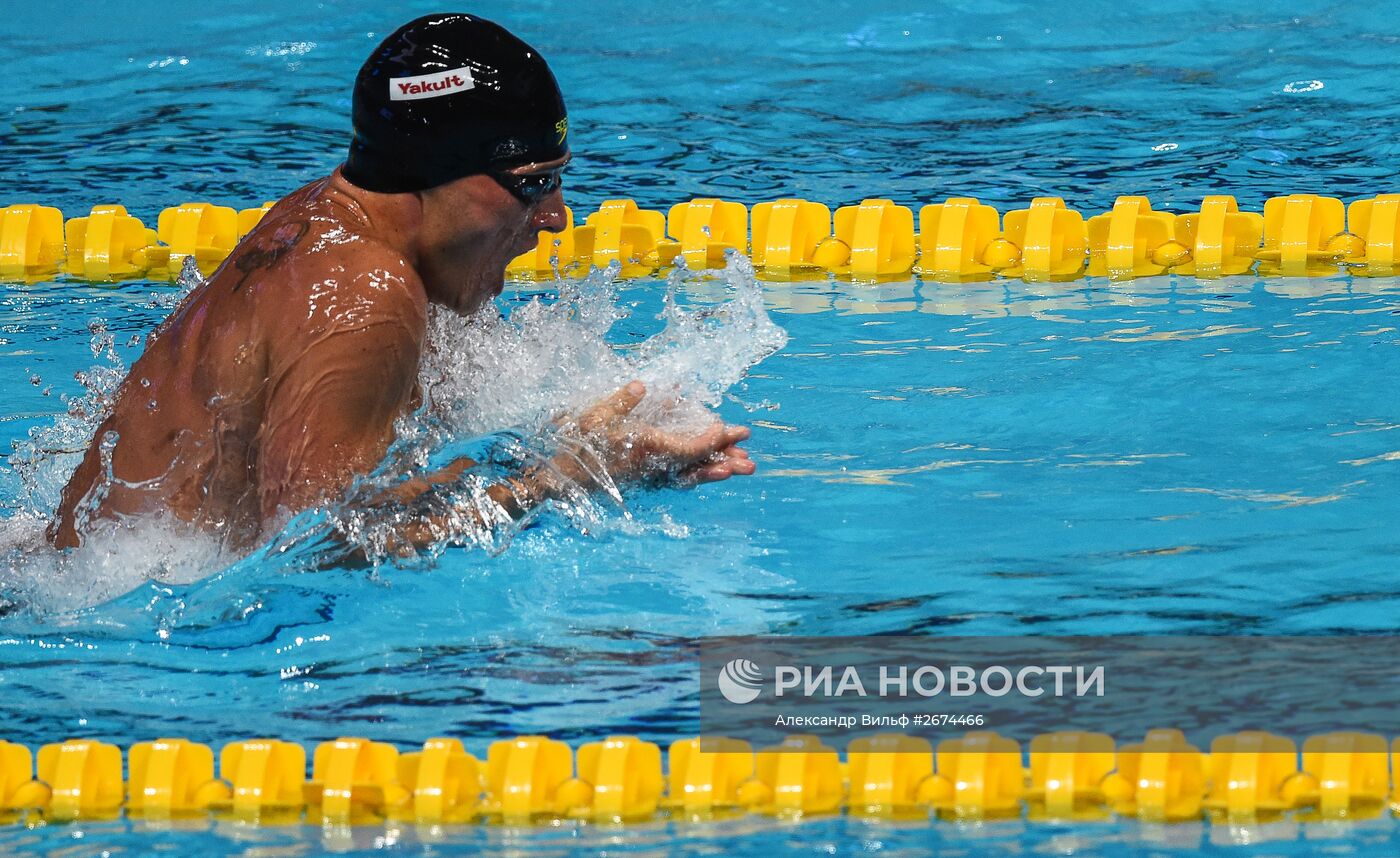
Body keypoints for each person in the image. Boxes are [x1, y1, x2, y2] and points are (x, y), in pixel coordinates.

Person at [48, 13, 755, 551]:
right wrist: (572, 478)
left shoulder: (319, 217)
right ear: (436, 171)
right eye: (534, 183)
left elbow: (372, 465)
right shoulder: (367, 302)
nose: (557, 217)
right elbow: (306, 554)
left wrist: (564, 441)